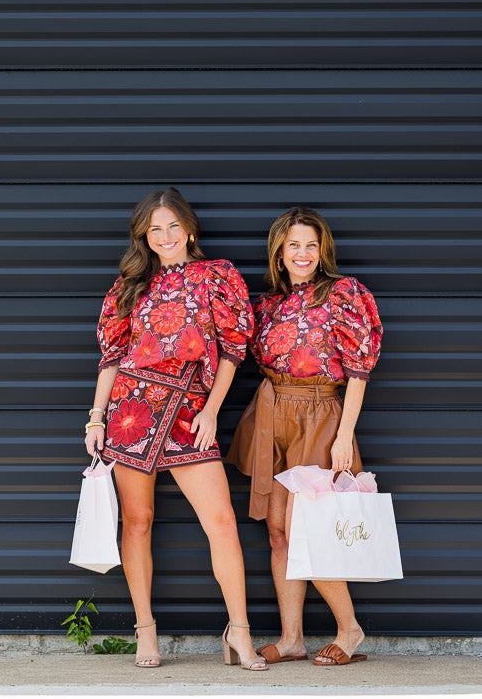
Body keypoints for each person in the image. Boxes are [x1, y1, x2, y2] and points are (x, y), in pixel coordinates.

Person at [84, 187, 267, 671]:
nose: (164, 237)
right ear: (145, 235)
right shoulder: (130, 283)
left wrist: (211, 410)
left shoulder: (217, 276)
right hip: (132, 409)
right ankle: (146, 630)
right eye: (154, 229)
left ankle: (240, 632)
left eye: (172, 226)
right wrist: (96, 417)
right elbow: (112, 357)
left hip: (190, 408)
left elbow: (232, 349)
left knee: (222, 523)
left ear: (188, 228)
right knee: (138, 521)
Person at [227, 206, 382, 666]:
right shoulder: (269, 305)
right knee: (278, 534)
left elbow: (358, 370)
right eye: (294, 244)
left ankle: (350, 630)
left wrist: (344, 435)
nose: (303, 253)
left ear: (323, 251)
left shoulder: (343, 294)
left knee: (308, 529)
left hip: (321, 413)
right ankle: (292, 637)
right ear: (279, 252)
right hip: (275, 411)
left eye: (311, 245)